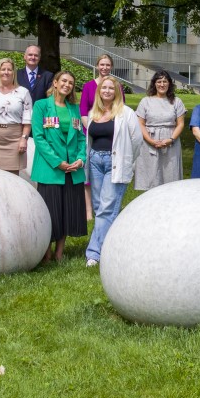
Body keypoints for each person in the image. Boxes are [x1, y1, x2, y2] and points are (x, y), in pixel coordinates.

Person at [84, 74, 142, 267]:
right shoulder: (94, 113)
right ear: (99, 91)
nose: (107, 91)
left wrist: (126, 161)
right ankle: (113, 245)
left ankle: (93, 253)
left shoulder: (126, 113)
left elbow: (136, 141)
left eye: (111, 88)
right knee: (101, 207)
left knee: (107, 208)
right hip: (95, 161)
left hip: (114, 163)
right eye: (103, 88)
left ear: (116, 92)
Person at [31, 69, 87, 264]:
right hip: (50, 169)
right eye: (63, 81)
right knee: (49, 211)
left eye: (71, 82)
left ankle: (59, 253)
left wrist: (80, 159)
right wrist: (57, 162)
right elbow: (38, 137)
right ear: (55, 83)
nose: (67, 85)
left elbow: (81, 137)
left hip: (72, 169)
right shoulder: (41, 106)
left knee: (66, 211)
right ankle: (45, 253)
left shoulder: (74, 109)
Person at [135, 70, 187, 190]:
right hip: (149, 142)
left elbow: (180, 124)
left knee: (170, 175)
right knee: (151, 176)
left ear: (169, 84)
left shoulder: (176, 101)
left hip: (170, 142)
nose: (162, 84)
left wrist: (171, 139)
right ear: (154, 83)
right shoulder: (145, 101)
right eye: (159, 81)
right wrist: (150, 140)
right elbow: (140, 124)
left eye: (165, 81)